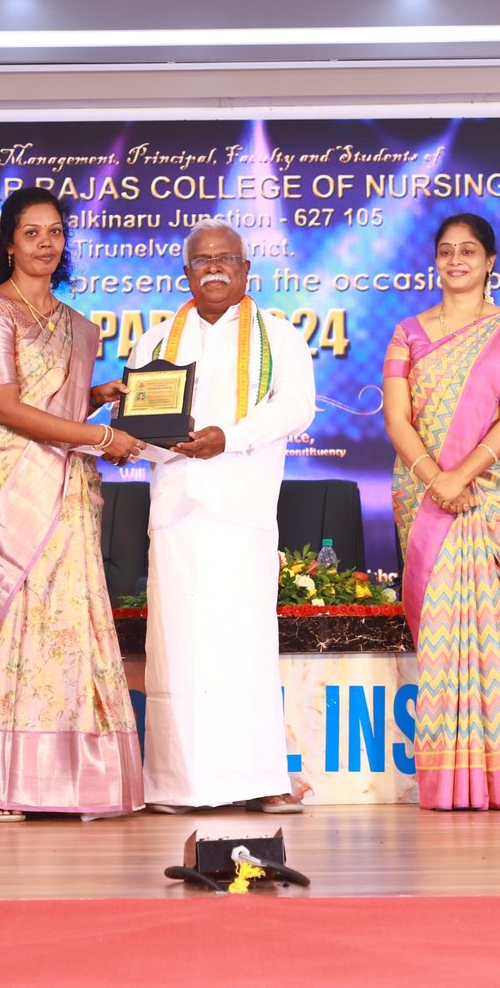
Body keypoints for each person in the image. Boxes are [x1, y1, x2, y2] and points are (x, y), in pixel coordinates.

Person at [0, 186, 145, 822]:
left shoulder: (77, 325)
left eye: (56, 232)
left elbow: (55, 402)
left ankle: (82, 780)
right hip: (13, 482)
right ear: (9, 243)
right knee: (21, 618)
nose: (45, 243)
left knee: (72, 619)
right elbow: (9, 408)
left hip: (69, 485)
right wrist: (101, 437)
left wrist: (98, 395)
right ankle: (8, 782)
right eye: (32, 232)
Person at [127, 218, 316, 814]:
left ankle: (258, 779)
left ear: (245, 269)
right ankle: (176, 784)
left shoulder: (278, 336)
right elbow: (141, 428)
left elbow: (297, 407)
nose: (213, 267)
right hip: (178, 512)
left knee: (244, 647)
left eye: (225, 258)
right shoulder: (155, 341)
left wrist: (227, 438)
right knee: (177, 648)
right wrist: (146, 442)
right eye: (202, 260)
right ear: (186, 272)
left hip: (242, 509)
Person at [382, 213, 500, 811]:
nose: (456, 260)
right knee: (441, 636)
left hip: (493, 497)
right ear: (434, 260)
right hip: (426, 497)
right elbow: (396, 419)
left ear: (491, 261)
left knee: (494, 634)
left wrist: (459, 476)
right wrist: (434, 478)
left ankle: (497, 779)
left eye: (468, 251)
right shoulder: (407, 333)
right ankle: (444, 781)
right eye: (446, 251)